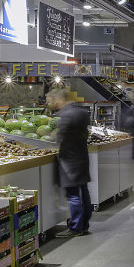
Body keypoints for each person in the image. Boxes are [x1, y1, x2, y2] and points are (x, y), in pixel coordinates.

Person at [47, 89, 91, 237]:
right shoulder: (82, 112)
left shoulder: (65, 115)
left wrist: (51, 135)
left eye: (51, 101)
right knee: (84, 192)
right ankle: (84, 225)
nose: (50, 104)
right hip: (82, 156)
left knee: (73, 195)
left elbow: (60, 138)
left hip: (70, 160)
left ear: (58, 100)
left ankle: (75, 227)